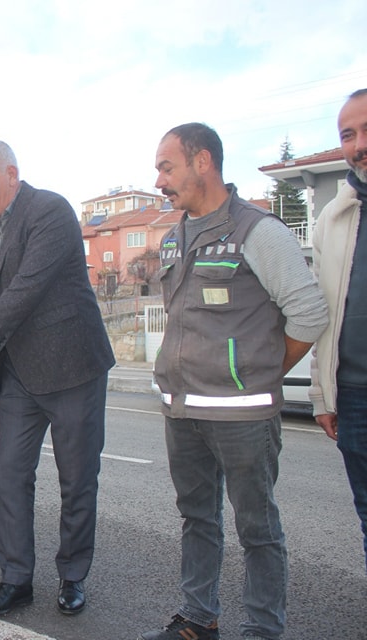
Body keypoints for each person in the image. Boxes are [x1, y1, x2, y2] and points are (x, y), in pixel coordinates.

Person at [139, 123, 328, 640]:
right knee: (197, 519)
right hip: (182, 411)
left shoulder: (258, 231)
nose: (159, 179)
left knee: (257, 528)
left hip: (242, 413)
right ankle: (198, 618)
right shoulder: (174, 236)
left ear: (203, 162)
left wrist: (259, 370)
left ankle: (263, 628)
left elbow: (308, 314)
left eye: (166, 166)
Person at [0, 140, 114, 618]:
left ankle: (72, 575)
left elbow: (26, 290)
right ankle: (15, 578)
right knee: (12, 475)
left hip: (73, 367)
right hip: (18, 373)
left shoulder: (50, 210)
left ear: (11, 173)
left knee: (77, 479)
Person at [310, 88, 367, 575]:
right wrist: (322, 395)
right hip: (355, 397)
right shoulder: (334, 217)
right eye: (348, 135)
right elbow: (322, 312)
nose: (358, 144)